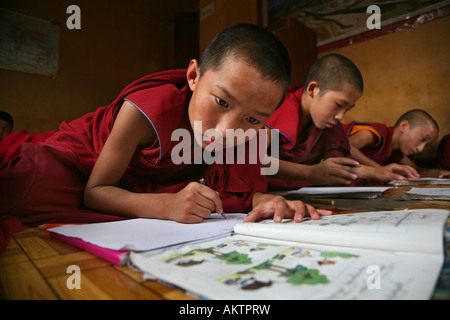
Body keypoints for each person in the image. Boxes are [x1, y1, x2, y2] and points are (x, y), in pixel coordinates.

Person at [0, 24, 331, 249]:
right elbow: (96, 192)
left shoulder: (250, 135)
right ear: (192, 76)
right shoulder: (146, 111)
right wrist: (167, 204)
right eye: (221, 101)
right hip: (83, 164)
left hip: (142, 187)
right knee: (23, 189)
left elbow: (238, 190)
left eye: (252, 119)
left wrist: (265, 200)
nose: (227, 131)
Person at [344, 109, 450, 179]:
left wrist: (438, 174)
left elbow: (416, 171)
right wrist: (378, 170)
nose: (421, 149)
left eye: (426, 145)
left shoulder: (397, 153)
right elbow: (347, 146)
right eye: (422, 139)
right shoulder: (373, 135)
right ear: (403, 126)